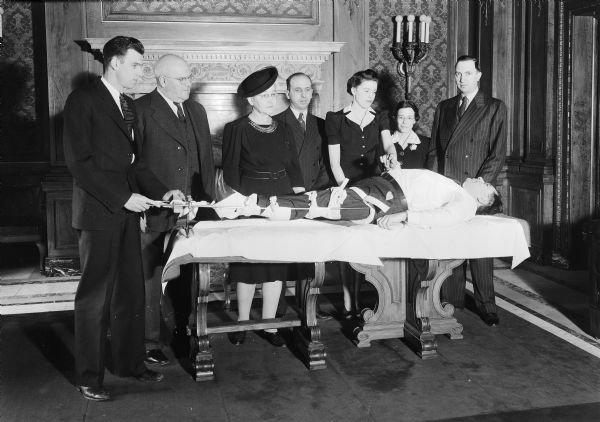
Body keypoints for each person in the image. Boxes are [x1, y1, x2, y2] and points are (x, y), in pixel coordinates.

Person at [63, 36, 184, 401]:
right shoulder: (82, 101)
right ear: (114, 63)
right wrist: (123, 197)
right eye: (134, 65)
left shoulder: (127, 106)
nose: (139, 72)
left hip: (128, 212)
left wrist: (164, 192)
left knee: (130, 292)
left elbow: (137, 163)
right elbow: (78, 163)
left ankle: (131, 364)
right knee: (95, 298)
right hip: (100, 213)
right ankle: (89, 377)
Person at [134, 54, 216, 366]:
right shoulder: (140, 109)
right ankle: (147, 341)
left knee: (188, 276)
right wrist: (153, 199)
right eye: (181, 79)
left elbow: (205, 160)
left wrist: (203, 202)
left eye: (189, 77)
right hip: (155, 210)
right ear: (162, 80)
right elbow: (136, 164)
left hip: (191, 210)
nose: (188, 83)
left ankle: (182, 331)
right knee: (149, 276)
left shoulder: (196, 110)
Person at [221, 66, 305, 347]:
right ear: (251, 100)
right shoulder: (237, 129)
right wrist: (238, 205)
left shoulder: (284, 127)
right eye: (265, 96)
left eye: (273, 94)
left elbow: (293, 165)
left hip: (280, 199)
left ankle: (269, 325)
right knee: (248, 264)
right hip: (250, 200)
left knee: (275, 263)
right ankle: (243, 321)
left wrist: (299, 197)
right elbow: (231, 171)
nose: (272, 99)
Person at [429, 55, 507, 326]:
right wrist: (434, 184)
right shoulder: (445, 106)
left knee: (480, 246)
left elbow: (497, 154)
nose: (462, 78)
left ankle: (487, 304)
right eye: (458, 73)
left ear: (479, 75)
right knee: (452, 242)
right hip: (448, 186)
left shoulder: (494, 107)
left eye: (468, 73)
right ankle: (453, 299)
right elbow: (435, 151)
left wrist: (477, 186)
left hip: (475, 187)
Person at [213, 161, 502, 227]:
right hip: (380, 188)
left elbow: (442, 218)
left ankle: (241, 205)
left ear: (484, 200)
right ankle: (240, 205)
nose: (479, 178)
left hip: (384, 201)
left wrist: (404, 216)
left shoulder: (466, 205)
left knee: (317, 204)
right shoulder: (458, 189)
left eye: (485, 184)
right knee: (317, 200)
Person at [325, 68, 395, 318]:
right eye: (366, 90)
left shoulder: (381, 117)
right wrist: (347, 190)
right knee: (349, 245)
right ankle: (347, 302)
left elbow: (387, 144)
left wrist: (392, 156)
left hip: (375, 188)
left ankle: (374, 299)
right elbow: (334, 163)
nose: (370, 95)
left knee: (373, 242)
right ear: (353, 90)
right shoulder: (335, 119)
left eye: (373, 91)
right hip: (348, 188)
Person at [274, 72, 332, 320]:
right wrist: (293, 191)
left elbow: (325, 163)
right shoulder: (274, 122)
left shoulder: (321, 124)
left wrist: (314, 192)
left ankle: (310, 309)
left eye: (307, 89)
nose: (303, 94)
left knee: (311, 254)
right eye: (297, 90)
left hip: (312, 196)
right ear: (288, 93)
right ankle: (276, 312)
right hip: (285, 197)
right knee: (279, 256)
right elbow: (274, 164)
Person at [390, 100, 430, 169]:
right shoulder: (384, 141)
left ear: (415, 120)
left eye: (409, 118)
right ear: (395, 118)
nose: (404, 122)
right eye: (401, 117)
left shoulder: (427, 144)